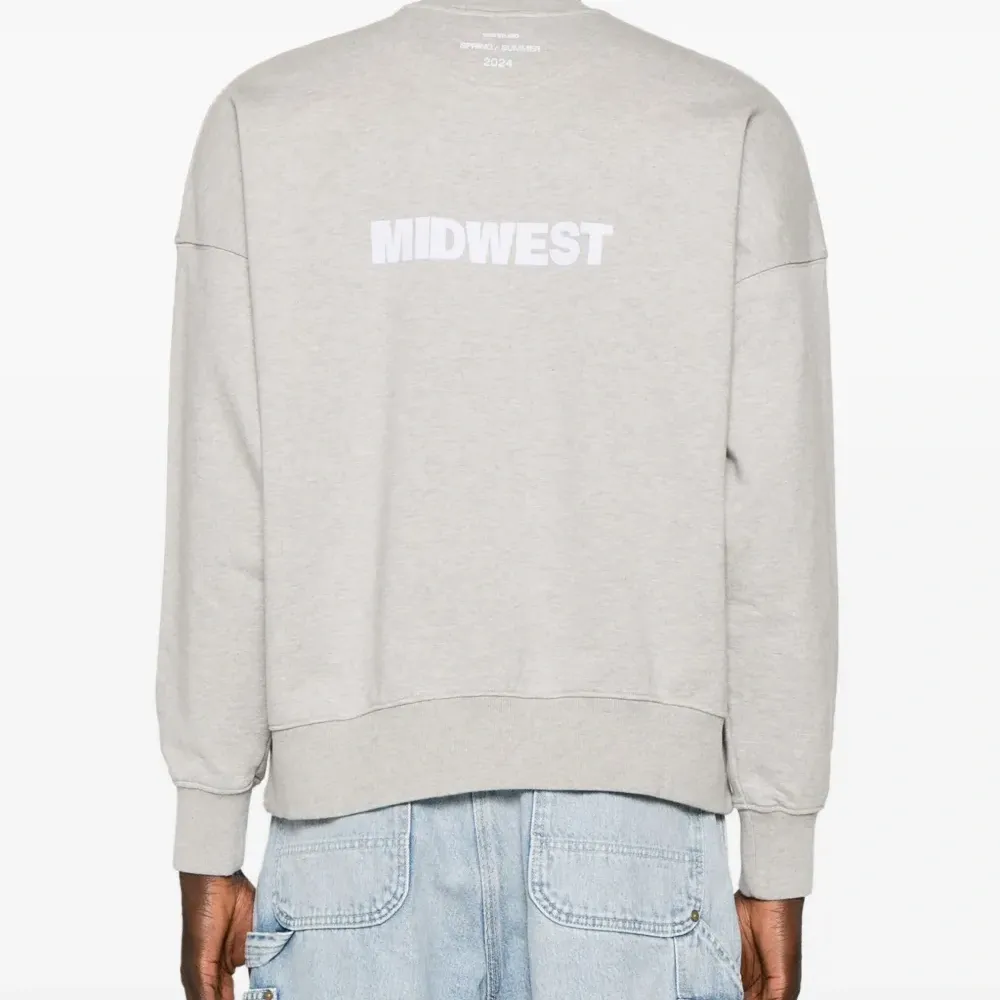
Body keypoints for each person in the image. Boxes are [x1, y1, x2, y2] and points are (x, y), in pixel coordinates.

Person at [156, 1, 838, 998]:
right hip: (636, 838)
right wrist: (778, 849)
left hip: (350, 828)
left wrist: (208, 828)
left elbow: (224, 496)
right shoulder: (724, 121)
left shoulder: (267, 119)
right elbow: (778, 526)